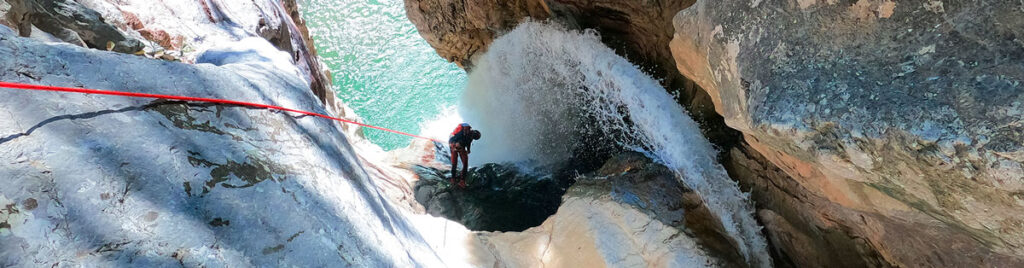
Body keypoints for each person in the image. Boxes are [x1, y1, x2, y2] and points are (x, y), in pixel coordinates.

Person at [449, 123, 481, 188]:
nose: (472, 138)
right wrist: (454, 146)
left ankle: (462, 181)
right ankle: (453, 179)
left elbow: (469, 142)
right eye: (473, 137)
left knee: (465, 164)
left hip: (461, 146)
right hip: (454, 144)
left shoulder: (470, 135)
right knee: (454, 163)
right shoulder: (462, 132)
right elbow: (452, 139)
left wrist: (468, 150)